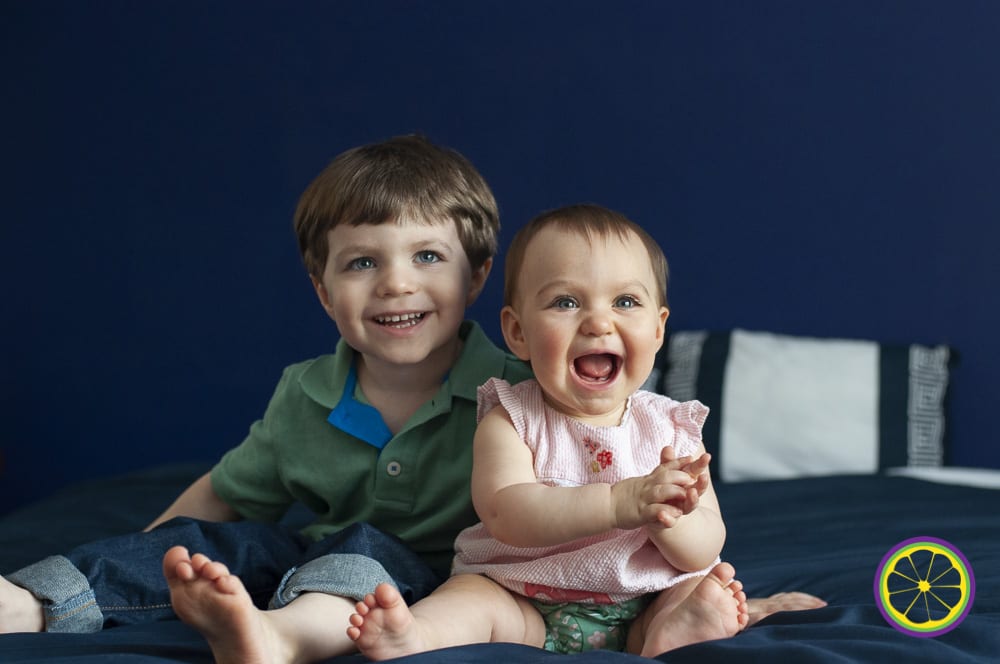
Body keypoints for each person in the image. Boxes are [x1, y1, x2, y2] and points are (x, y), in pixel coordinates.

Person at [0, 134, 533, 663]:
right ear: (324, 292)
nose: (396, 283)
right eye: (362, 263)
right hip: (311, 557)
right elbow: (225, 493)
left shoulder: (521, 392)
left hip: (442, 586)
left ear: (476, 276)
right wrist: (151, 553)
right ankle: (27, 604)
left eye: (427, 256)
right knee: (217, 544)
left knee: (365, 546)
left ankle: (280, 637)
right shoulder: (305, 393)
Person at [346, 204, 815, 659]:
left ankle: (669, 631)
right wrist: (617, 503)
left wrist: (669, 517)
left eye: (626, 301)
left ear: (657, 329)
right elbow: (506, 513)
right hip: (523, 597)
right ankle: (419, 635)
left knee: (694, 586)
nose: (598, 322)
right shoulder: (511, 417)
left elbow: (704, 546)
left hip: (643, 598)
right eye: (565, 302)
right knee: (471, 598)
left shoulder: (672, 428)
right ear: (518, 333)